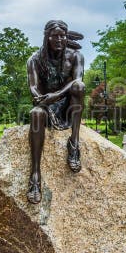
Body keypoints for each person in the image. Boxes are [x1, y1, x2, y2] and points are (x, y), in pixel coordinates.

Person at [26, 20, 85, 203]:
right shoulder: (35, 59)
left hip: (66, 104)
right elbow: (34, 87)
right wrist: (42, 99)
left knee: (79, 86)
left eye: (63, 35)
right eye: (55, 36)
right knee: (35, 114)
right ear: (47, 37)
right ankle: (35, 175)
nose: (59, 39)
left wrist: (56, 95)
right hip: (46, 105)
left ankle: (73, 144)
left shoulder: (75, 56)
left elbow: (77, 80)